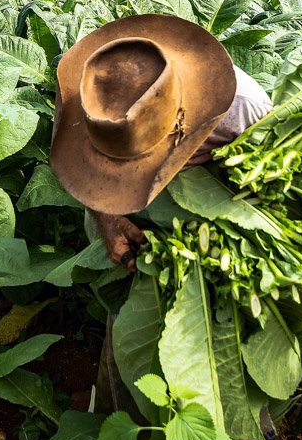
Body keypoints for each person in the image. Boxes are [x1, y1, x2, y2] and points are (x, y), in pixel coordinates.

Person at [50, 14, 273, 268]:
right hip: (115, 209)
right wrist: (107, 218)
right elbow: (73, 163)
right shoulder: (88, 89)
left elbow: (264, 191)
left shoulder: (241, 108)